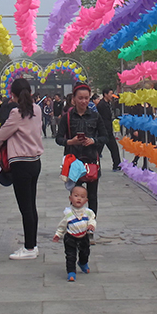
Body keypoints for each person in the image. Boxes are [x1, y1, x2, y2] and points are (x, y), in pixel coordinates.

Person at [0, 78, 44, 260]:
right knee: (31, 204)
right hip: (35, 162)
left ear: (12, 95)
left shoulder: (17, 113)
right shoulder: (37, 109)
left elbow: (1, 136)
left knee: (25, 208)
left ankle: (29, 248)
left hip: (20, 164)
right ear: (30, 92)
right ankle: (33, 245)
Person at [56, 82, 108, 215]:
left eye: (86, 98)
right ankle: (75, 224)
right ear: (74, 99)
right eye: (80, 98)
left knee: (92, 196)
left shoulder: (95, 116)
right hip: (74, 162)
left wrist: (93, 141)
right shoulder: (67, 117)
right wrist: (71, 141)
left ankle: (91, 224)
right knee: (75, 196)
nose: (83, 101)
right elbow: (58, 138)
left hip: (91, 160)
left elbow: (105, 137)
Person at [53, 185, 96, 282]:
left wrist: (91, 225)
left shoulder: (88, 212)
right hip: (70, 237)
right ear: (70, 198)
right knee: (70, 255)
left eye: (82, 197)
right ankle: (71, 272)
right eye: (76, 196)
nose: (79, 199)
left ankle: (83, 263)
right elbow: (62, 225)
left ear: (86, 200)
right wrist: (58, 234)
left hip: (83, 236)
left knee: (85, 252)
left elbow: (92, 220)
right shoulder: (68, 213)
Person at [95, 88, 121, 171]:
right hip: (104, 131)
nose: (112, 95)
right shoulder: (101, 105)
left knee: (114, 148)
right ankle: (93, 165)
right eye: (110, 93)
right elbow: (103, 119)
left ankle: (117, 165)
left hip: (108, 130)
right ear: (105, 94)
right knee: (98, 150)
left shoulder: (108, 104)